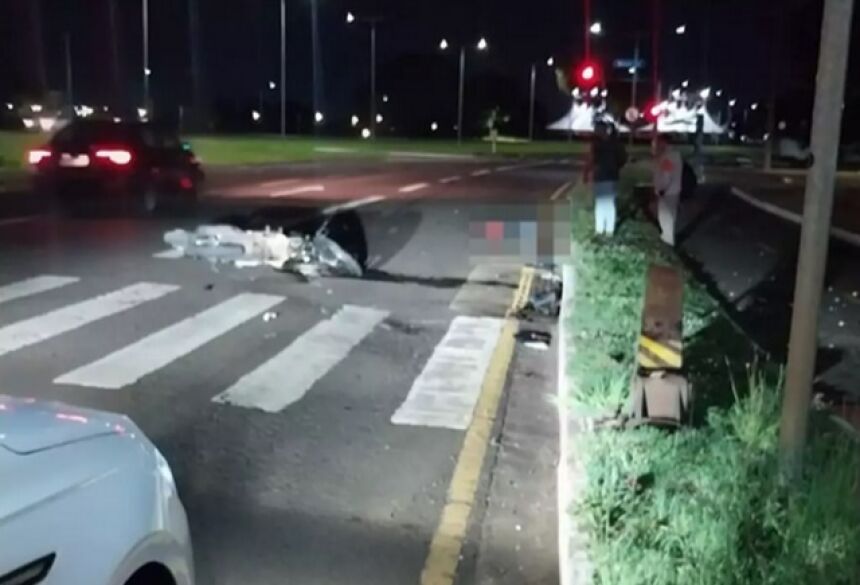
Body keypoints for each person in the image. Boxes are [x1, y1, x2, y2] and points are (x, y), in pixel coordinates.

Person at [588, 122, 627, 236]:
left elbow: (591, 160)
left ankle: (603, 229)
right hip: (609, 176)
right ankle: (605, 229)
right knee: (605, 203)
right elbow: (622, 159)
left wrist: (589, 173)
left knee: (604, 203)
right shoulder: (614, 143)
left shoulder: (599, 144)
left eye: (596, 129)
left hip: (604, 176)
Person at [652, 135, 684, 246]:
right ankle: (669, 240)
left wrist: (662, 189)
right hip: (674, 190)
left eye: (658, 143)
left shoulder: (668, 157)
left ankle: (668, 242)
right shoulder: (675, 155)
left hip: (667, 192)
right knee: (670, 217)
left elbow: (667, 175)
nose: (656, 146)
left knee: (666, 218)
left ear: (663, 143)